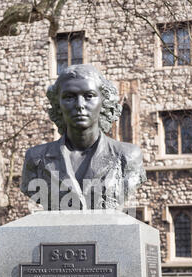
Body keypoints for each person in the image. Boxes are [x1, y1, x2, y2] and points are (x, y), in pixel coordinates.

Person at [21, 64, 146, 210]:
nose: (80, 105)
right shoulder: (36, 159)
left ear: (103, 101)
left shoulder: (128, 157)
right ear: (58, 104)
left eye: (89, 96)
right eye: (69, 97)